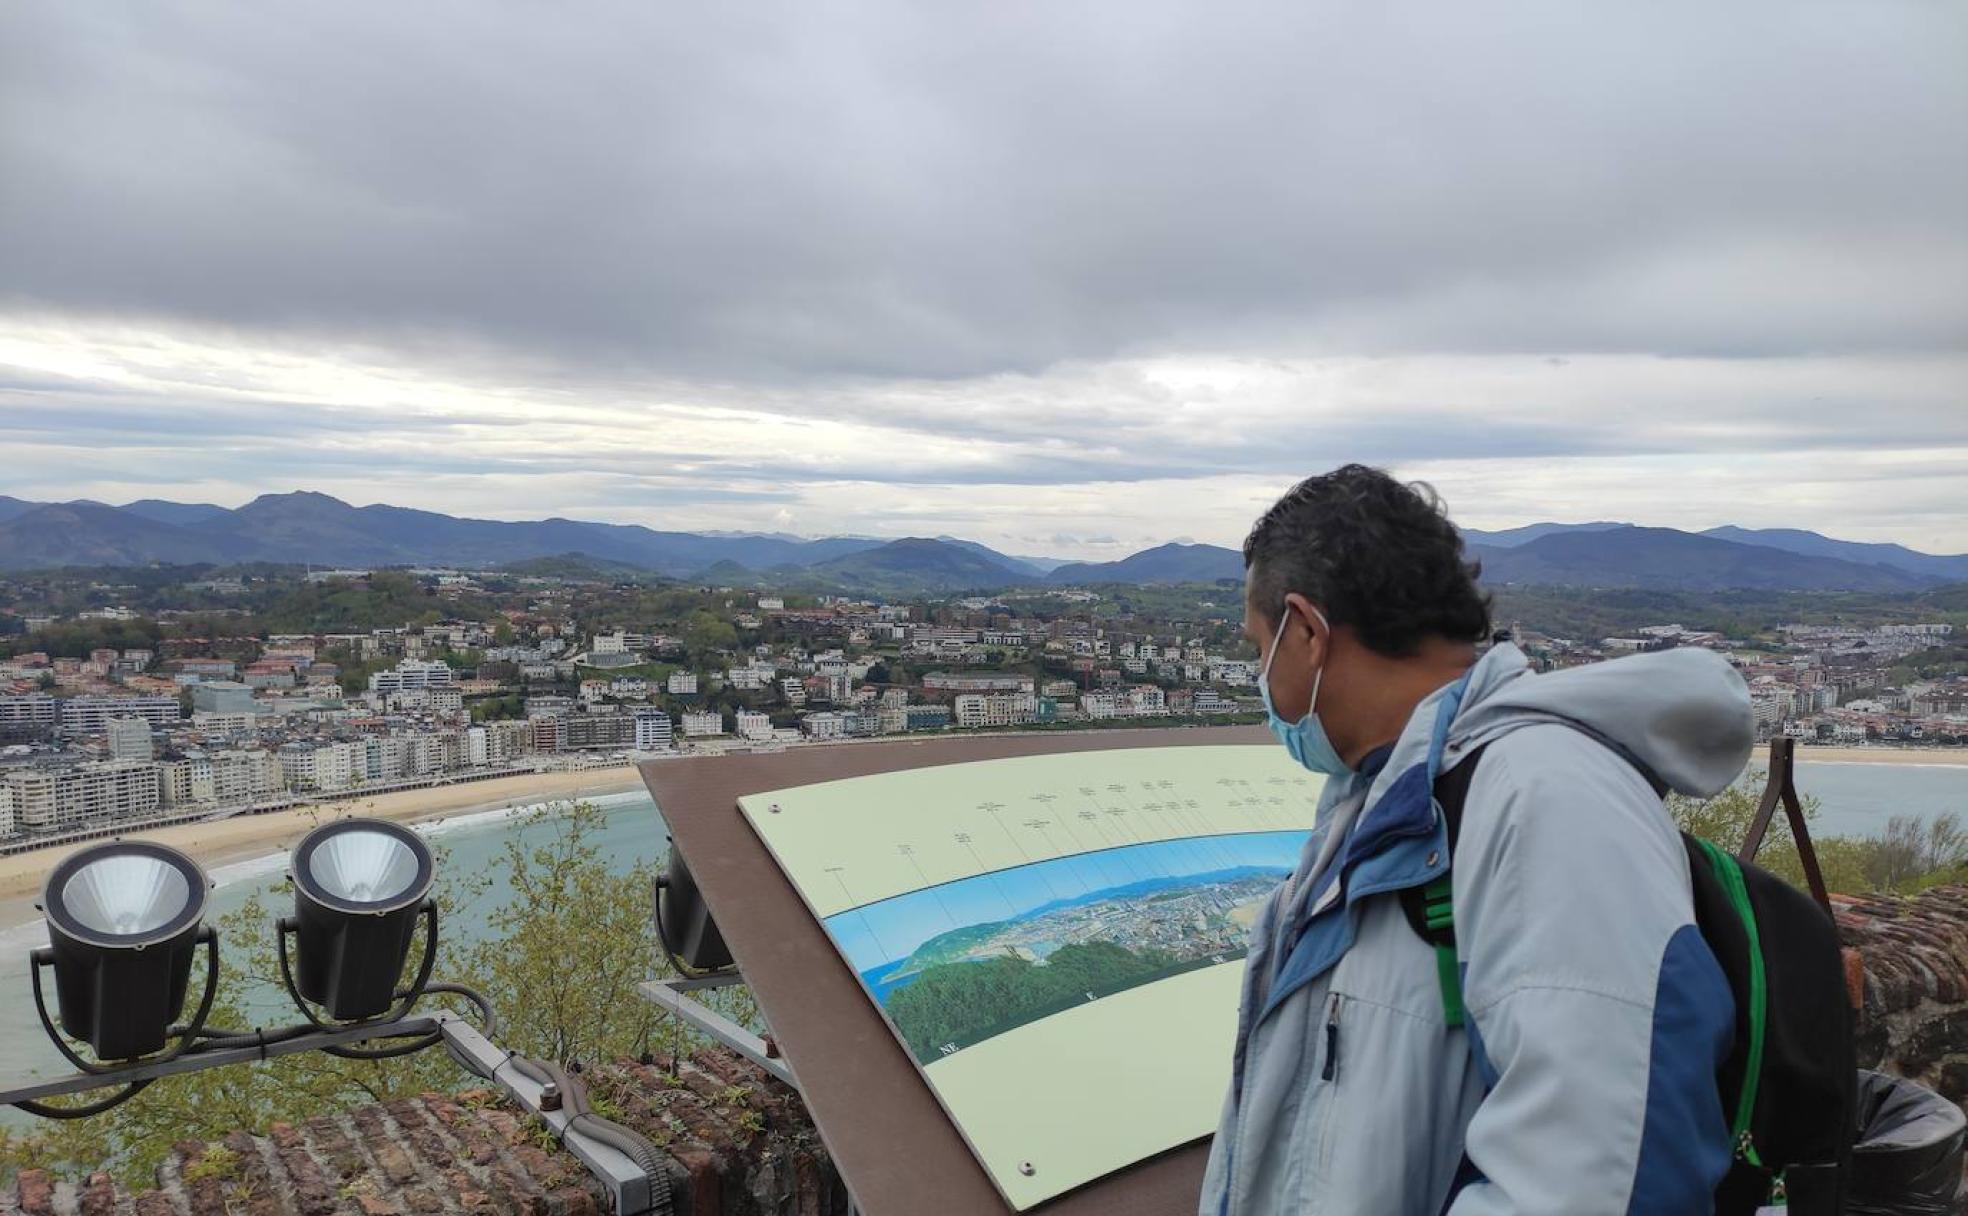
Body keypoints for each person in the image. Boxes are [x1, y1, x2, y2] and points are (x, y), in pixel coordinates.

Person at [1200, 465, 1754, 1216]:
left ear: (1305, 631)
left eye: (1257, 646)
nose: (1260, 677)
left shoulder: (1544, 800)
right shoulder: (1390, 797)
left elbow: (1599, 1178)